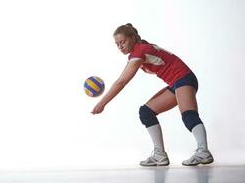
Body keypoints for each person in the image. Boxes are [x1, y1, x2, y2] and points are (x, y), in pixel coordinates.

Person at [91, 23, 214, 166]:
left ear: (133, 38)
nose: (120, 46)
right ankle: (159, 155)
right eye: (117, 44)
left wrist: (102, 103)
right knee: (146, 112)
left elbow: (121, 82)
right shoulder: (139, 49)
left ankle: (203, 152)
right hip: (176, 83)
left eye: (123, 42)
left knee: (189, 115)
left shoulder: (139, 51)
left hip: (183, 78)